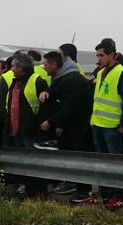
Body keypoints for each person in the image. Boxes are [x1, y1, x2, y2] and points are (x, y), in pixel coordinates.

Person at [38, 51, 93, 201]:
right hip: (68, 126)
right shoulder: (60, 78)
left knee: (80, 158)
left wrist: (51, 122)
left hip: (79, 127)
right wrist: (46, 92)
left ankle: (84, 190)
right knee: (70, 156)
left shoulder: (71, 79)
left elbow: (70, 107)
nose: (43, 67)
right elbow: (57, 98)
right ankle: (72, 184)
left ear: (54, 65)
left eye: (45, 64)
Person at [88, 39, 123, 209]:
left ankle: (118, 195)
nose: (99, 58)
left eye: (102, 55)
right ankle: (105, 194)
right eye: (97, 55)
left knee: (114, 162)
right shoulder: (101, 73)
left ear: (113, 55)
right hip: (98, 124)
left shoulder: (121, 73)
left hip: (112, 126)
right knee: (102, 162)